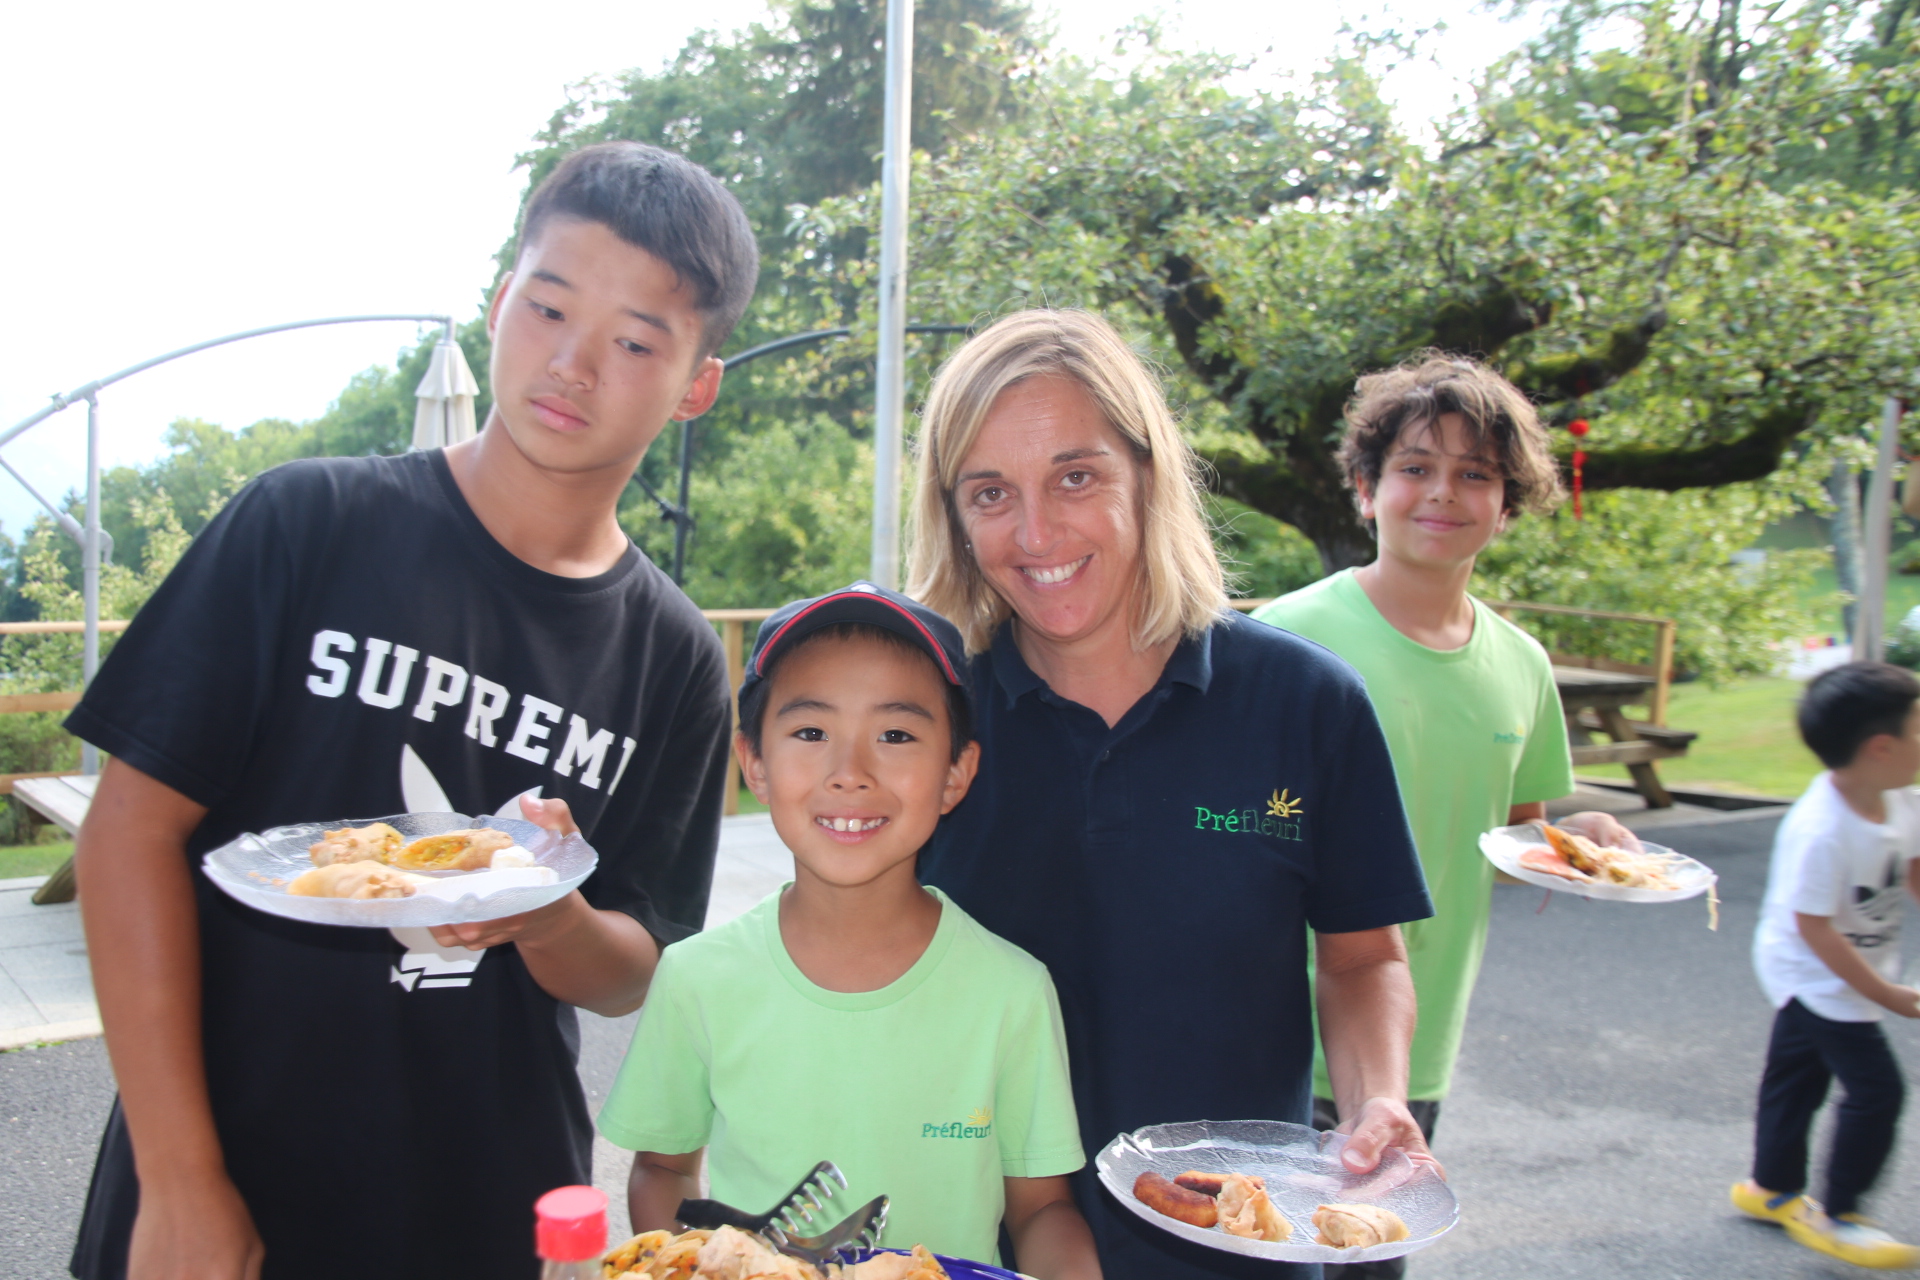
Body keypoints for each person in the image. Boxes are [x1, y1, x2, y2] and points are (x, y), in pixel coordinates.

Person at [65, 141, 758, 1280]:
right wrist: (181, 1181)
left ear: (696, 386)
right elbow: (127, 833)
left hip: (482, 1201)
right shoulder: (306, 523)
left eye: (635, 341)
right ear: (500, 303)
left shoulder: (674, 655)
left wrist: (547, 913)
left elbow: (633, 964)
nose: (572, 364)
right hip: (220, 1171)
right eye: (548, 309)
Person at [909, 309, 1437, 1280]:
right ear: (953, 516)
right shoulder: (924, 721)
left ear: (1147, 474)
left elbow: (1364, 957)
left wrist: (1376, 1100)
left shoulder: (1307, 702)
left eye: (1076, 476)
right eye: (991, 492)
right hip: (972, 1249)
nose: (1036, 532)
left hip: (1242, 1244)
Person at [1249, 356, 1639, 1276]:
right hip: (1268, 1033)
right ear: (1365, 488)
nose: (1442, 493)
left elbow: (1520, 833)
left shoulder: (1522, 665)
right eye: (1415, 467)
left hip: (1413, 1045)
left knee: (1370, 1260)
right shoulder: (1282, 640)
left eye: (1476, 474)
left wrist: (1583, 842)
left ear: (1508, 507)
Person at [598, 583, 1099, 1280]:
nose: (850, 774)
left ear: (956, 773)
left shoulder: (1012, 991)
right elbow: (662, 1170)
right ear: (755, 765)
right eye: (811, 733)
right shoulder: (696, 978)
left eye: (896, 735)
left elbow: (1041, 1208)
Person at [1731, 661, 1920, 1270]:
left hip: (1842, 965)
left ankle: (1770, 1186)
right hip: (1815, 973)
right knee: (1878, 1091)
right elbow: (1815, 929)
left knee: (1797, 1075)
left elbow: (1913, 867)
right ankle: (1840, 1215)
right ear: (1882, 747)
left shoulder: (1901, 798)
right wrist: (1885, 994)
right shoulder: (1821, 830)